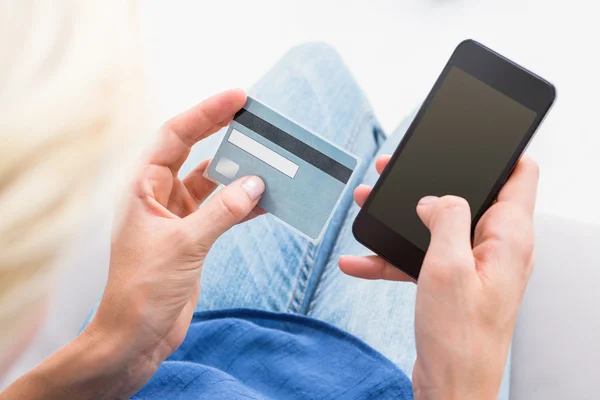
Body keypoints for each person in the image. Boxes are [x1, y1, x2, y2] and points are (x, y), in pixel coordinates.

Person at [0, 3, 538, 399]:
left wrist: (111, 346)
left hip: (170, 362)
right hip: (378, 382)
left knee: (316, 70)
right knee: (409, 157)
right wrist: (464, 386)